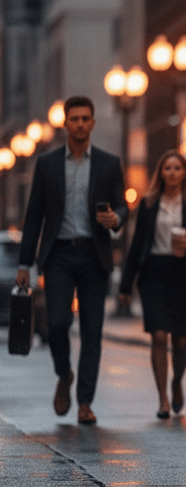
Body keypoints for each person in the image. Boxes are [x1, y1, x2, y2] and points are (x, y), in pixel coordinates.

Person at [15, 96, 127, 425]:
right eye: (73, 118)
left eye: (85, 118)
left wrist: (115, 219)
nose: (79, 124)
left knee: (92, 331)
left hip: (95, 254)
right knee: (58, 324)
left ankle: (84, 403)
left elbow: (123, 206)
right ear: (65, 124)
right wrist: (25, 264)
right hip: (59, 254)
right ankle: (64, 374)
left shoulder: (108, 163)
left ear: (93, 123)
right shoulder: (47, 163)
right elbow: (34, 215)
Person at [117, 150, 186, 419]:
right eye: (167, 168)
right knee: (159, 337)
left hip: (183, 275)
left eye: (177, 168)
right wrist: (125, 285)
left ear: (184, 173)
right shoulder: (147, 204)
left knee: (180, 341)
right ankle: (162, 401)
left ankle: (177, 382)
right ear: (160, 173)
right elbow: (136, 248)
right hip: (153, 276)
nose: (172, 173)